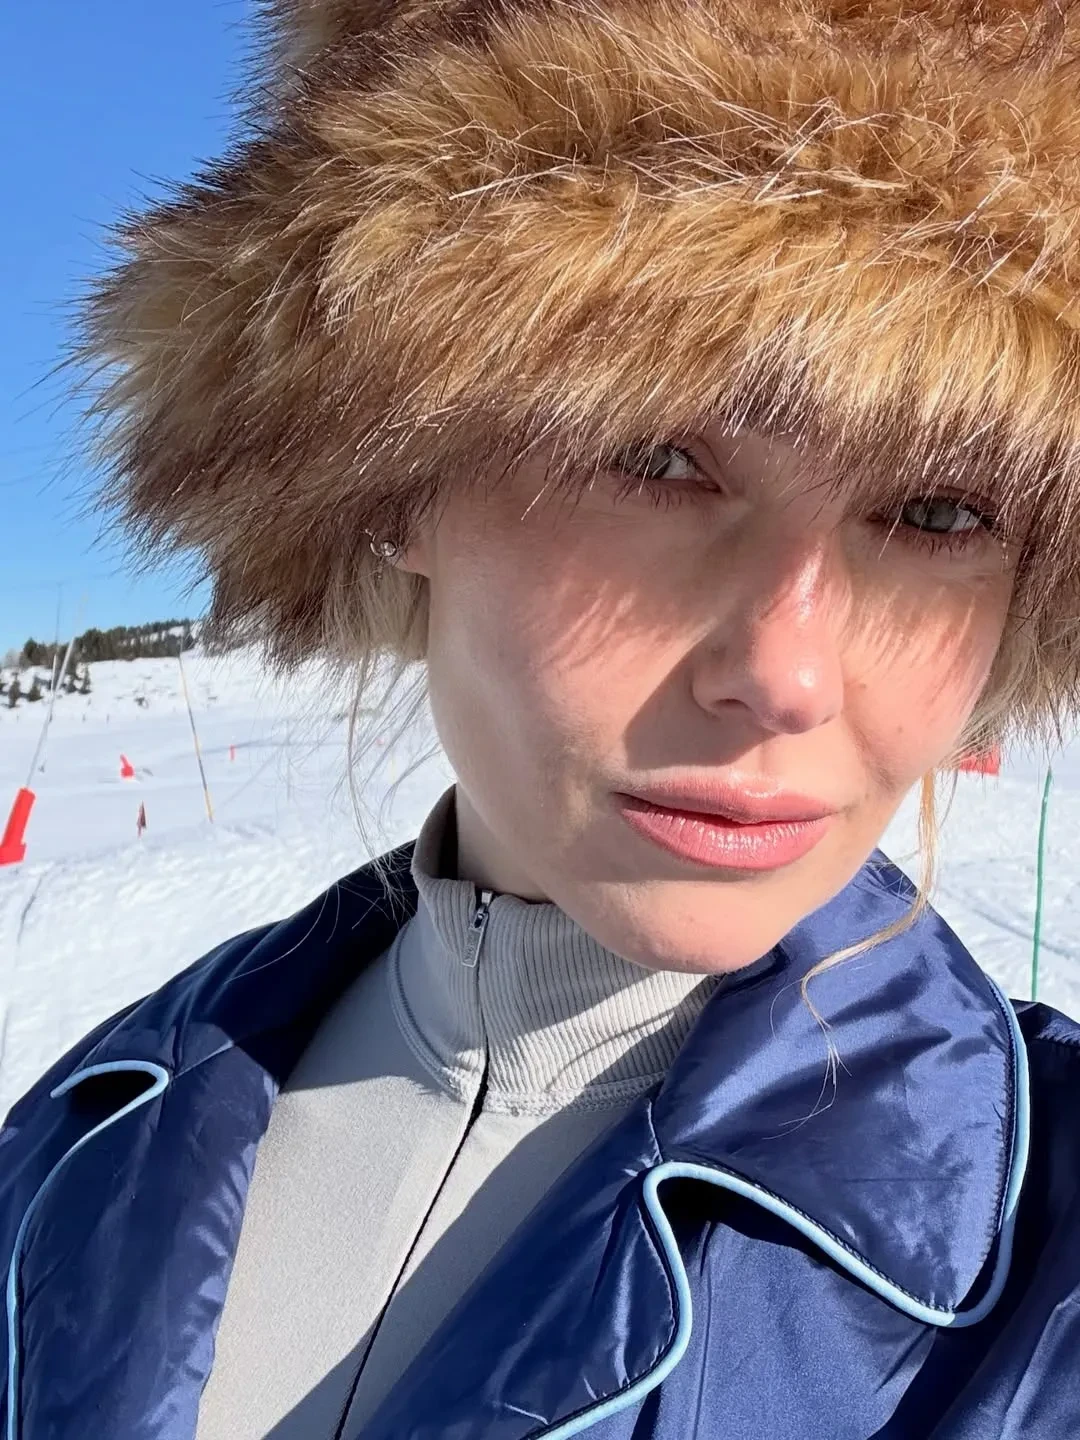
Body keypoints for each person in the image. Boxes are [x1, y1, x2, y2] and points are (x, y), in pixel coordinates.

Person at [4, 2, 1080, 1436]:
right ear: (391, 482)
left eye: (942, 512)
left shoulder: (1047, 1265)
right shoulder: (86, 1130)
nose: (789, 676)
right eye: (657, 457)